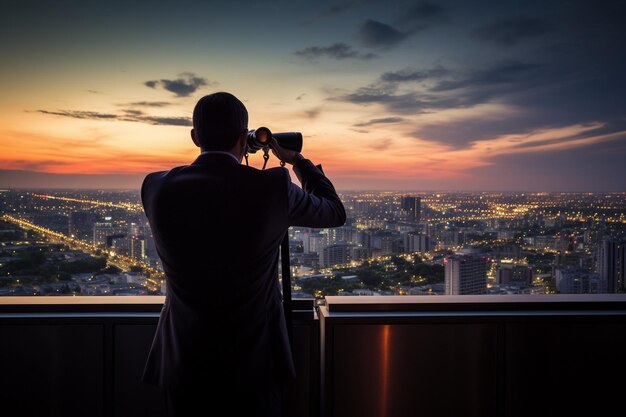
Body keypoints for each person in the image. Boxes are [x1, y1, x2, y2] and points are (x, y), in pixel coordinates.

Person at [140, 92, 346, 416]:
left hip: (183, 361)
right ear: (243, 138)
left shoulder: (155, 187)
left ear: (195, 137)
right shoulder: (273, 187)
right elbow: (334, 211)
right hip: (254, 362)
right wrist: (297, 162)